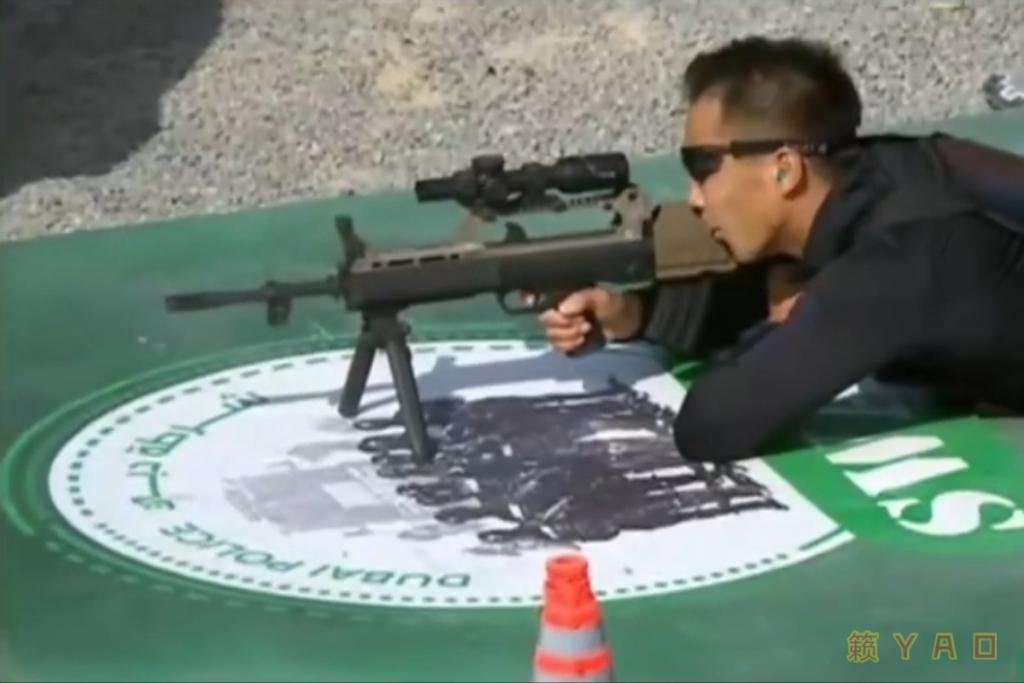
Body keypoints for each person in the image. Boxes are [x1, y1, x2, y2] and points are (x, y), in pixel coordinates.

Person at [537, 35, 1024, 464]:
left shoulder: (899, 258)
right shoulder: (880, 173)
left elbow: (715, 424)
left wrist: (783, 325)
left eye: (704, 167)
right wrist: (635, 313)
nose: (696, 198)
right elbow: (781, 294)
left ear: (785, 168)